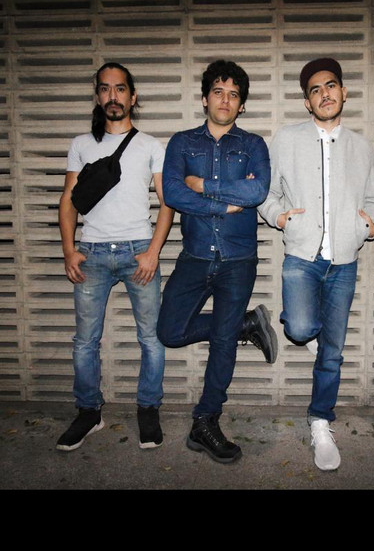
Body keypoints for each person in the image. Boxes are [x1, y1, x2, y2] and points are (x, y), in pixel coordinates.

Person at [258, 58, 374, 471]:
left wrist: (370, 226)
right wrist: (280, 218)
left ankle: (320, 421)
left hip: (344, 262)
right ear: (307, 101)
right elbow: (266, 193)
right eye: (315, 90)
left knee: (332, 353)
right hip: (301, 256)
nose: (324, 94)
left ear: (343, 92)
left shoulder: (361, 146)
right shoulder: (286, 139)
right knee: (298, 328)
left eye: (330, 86)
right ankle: (309, 329)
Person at [156, 59, 277, 464]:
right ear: (205, 98)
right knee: (169, 331)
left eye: (233, 94)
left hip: (238, 260)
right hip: (194, 256)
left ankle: (205, 421)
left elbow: (258, 192)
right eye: (218, 92)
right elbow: (173, 193)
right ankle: (245, 323)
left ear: (242, 104)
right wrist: (225, 204)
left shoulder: (253, 145)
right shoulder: (181, 142)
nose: (225, 100)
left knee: (223, 343)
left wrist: (203, 186)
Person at [57, 62, 175, 452]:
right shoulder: (81, 144)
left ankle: (148, 408)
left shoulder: (151, 146)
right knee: (85, 341)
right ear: (97, 96)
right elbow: (68, 201)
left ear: (132, 96)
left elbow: (167, 204)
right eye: (105, 89)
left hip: (137, 250)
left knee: (152, 338)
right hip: (91, 253)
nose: (113, 96)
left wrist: (153, 252)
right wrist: (69, 250)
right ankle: (89, 412)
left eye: (120, 89)